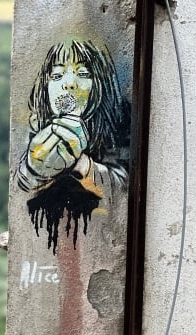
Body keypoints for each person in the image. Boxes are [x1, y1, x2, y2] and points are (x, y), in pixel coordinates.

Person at [16, 38, 130, 253]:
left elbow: (125, 192)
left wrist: (81, 164)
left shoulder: (119, 122)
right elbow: (21, 188)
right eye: (57, 75)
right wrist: (34, 169)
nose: (69, 84)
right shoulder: (39, 128)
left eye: (83, 74)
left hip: (100, 245)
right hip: (47, 245)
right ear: (45, 86)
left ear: (100, 84)